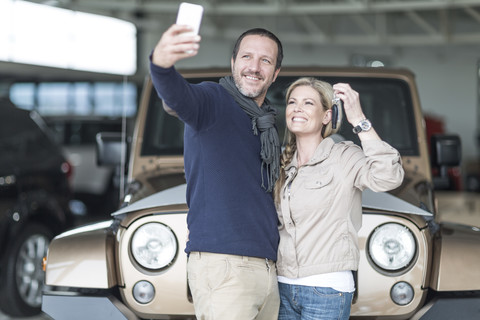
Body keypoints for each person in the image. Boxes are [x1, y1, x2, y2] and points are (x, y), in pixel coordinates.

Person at [150, 25, 284, 320]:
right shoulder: (212, 101)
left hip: (267, 267)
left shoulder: (267, 124)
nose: (254, 66)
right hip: (224, 265)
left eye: (265, 60)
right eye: (247, 57)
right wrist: (161, 64)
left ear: (275, 73)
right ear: (233, 63)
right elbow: (177, 98)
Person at [273, 77, 404, 320]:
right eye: (292, 102)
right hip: (282, 285)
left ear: (326, 116)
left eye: (308, 103)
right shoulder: (283, 163)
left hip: (326, 288)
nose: (297, 108)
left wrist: (359, 120)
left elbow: (389, 177)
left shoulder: (343, 155)